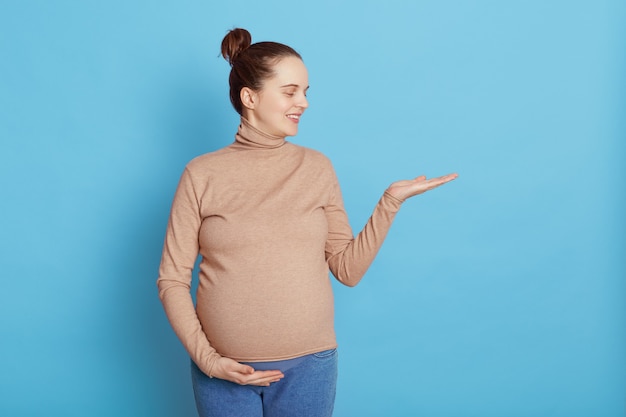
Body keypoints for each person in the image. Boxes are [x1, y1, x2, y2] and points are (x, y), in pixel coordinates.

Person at [157, 27, 457, 417]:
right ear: (250, 97)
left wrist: (389, 204)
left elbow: (346, 270)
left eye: (306, 92)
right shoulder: (201, 174)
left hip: (309, 367)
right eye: (290, 91)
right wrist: (209, 360)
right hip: (222, 370)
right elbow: (172, 279)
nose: (304, 102)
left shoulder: (317, 168)